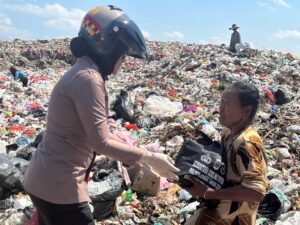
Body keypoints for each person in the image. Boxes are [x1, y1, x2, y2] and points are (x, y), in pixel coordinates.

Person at [24, 5, 179, 225]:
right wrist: (150, 158)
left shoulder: (82, 71)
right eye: (122, 55)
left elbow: (100, 131)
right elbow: (102, 142)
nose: (122, 62)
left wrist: (141, 155)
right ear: (109, 48)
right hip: (58, 187)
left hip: (44, 181)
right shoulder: (89, 79)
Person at [184, 81, 267, 225]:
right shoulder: (228, 133)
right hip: (215, 213)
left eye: (227, 104)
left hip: (231, 219)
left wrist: (208, 193)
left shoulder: (246, 143)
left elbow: (256, 192)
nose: (220, 109)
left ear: (245, 111)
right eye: (221, 102)